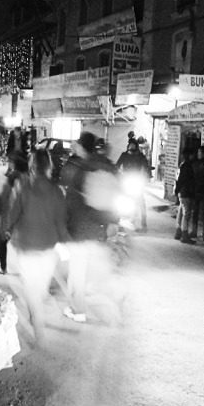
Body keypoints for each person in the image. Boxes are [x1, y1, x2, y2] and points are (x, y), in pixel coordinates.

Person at [5, 149, 71, 346]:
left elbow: (13, 213)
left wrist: (6, 229)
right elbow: (61, 222)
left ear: (31, 166)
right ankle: (37, 317)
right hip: (48, 248)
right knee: (38, 288)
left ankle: (37, 322)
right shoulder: (56, 191)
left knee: (30, 288)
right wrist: (66, 242)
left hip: (25, 246)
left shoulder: (22, 186)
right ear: (49, 166)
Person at [59, 131, 119, 324]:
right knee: (95, 268)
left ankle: (77, 310)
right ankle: (110, 299)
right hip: (100, 227)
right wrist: (113, 221)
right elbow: (116, 195)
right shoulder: (108, 167)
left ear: (82, 146)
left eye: (77, 143)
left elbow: (72, 201)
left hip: (80, 229)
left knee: (77, 271)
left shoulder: (81, 169)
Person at [0, 152, 29, 273]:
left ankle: (3, 267)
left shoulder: (12, 178)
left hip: (8, 214)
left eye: (10, 162)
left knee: (1, 241)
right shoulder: (27, 178)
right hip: (22, 216)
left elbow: (4, 197)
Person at [115, 138, 151, 232]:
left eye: (134, 145)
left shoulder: (140, 156)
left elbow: (146, 167)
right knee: (120, 201)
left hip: (136, 181)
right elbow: (117, 165)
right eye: (130, 145)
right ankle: (119, 222)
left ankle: (144, 223)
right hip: (126, 180)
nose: (132, 146)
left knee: (141, 202)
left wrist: (148, 174)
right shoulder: (124, 155)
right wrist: (117, 173)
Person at [174, 149, 197, 243]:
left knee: (181, 211)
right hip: (186, 192)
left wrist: (177, 190)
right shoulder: (187, 166)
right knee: (186, 214)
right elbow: (182, 180)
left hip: (183, 192)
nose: (194, 156)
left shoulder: (184, 165)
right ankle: (184, 234)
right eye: (193, 154)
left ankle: (178, 231)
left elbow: (179, 180)